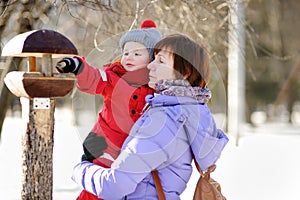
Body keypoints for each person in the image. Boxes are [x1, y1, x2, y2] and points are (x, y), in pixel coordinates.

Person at [72, 33, 229, 199]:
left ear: (185, 73)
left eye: (160, 61)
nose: (150, 66)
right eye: (153, 59)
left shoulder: (164, 121)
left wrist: (81, 168)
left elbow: (115, 185)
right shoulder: (189, 113)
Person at [56, 20, 162, 200]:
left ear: (151, 59)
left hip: (135, 153)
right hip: (106, 145)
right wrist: (78, 67)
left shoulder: (158, 86)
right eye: (126, 52)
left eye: (137, 53)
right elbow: (95, 79)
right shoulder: (113, 77)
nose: (128, 57)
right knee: (97, 190)